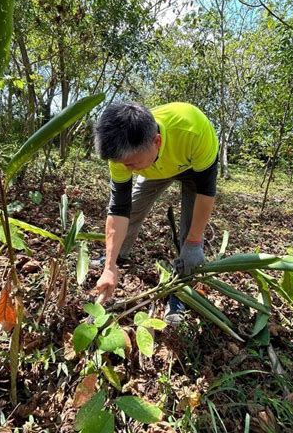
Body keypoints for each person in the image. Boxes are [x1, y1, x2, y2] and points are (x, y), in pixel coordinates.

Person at [93, 101, 219, 323]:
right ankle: (118, 257)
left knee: (189, 236)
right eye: (123, 164)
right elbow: (119, 208)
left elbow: (206, 192)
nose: (126, 169)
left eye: (131, 164)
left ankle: (180, 290)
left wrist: (194, 242)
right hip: (155, 169)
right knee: (134, 206)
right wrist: (109, 265)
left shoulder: (193, 131)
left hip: (192, 167)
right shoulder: (123, 156)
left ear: (157, 141)